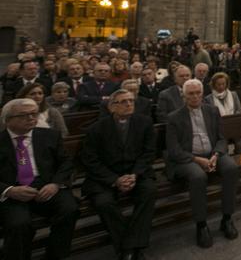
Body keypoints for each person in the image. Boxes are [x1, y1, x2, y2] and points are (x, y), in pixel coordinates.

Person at [81, 89, 157, 260]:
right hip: (106, 177)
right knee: (103, 202)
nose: (129, 104)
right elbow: (90, 160)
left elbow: (149, 152)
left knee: (149, 191)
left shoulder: (144, 122)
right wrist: (114, 180)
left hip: (136, 173)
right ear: (111, 107)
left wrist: (135, 175)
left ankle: (127, 248)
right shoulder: (96, 129)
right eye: (123, 101)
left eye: (131, 101)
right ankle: (131, 246)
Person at [0, 98, 80, 260]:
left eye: (33, 114)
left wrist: (56, 184)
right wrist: (9, 190)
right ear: (7, 120)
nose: (31, 118)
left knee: (70, 209)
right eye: (24, 115)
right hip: (12, 191)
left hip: (46, 185)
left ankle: (55, 255)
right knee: (18, 224)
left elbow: (66, 163)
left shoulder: (50, 135)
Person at [165, 79, 239, 248]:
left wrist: (215, 155)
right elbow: (174, 150)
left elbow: (221, 138)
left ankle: (227, 219)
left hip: (212, 154)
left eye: (198, 92)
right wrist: (197, 159)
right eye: (191, 93)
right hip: (188, 158)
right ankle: (201, 225)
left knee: (231, 168)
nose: (195, 96)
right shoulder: (174, 117)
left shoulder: (212, 110)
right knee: (198, 177)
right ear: (184, 95)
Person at [205, 72, 241, 154]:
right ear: (213, 85)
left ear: (226, 84)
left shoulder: (233, 95)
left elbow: (238, 110)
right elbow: (210, 116)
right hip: (219, 128)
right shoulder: (209, 98)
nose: (221, 87)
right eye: (218, 84)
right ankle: (226, 162)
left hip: (234, 125)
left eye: (223, 84)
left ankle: (240, 161)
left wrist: (234, 119)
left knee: (240, 144)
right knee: (223, 146)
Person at [1, 84, 69, 136]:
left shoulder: (52, 112)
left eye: (40, 93)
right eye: (32, 94)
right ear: (24, 96)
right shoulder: (13, 112)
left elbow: (63, 133)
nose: (37, 96)